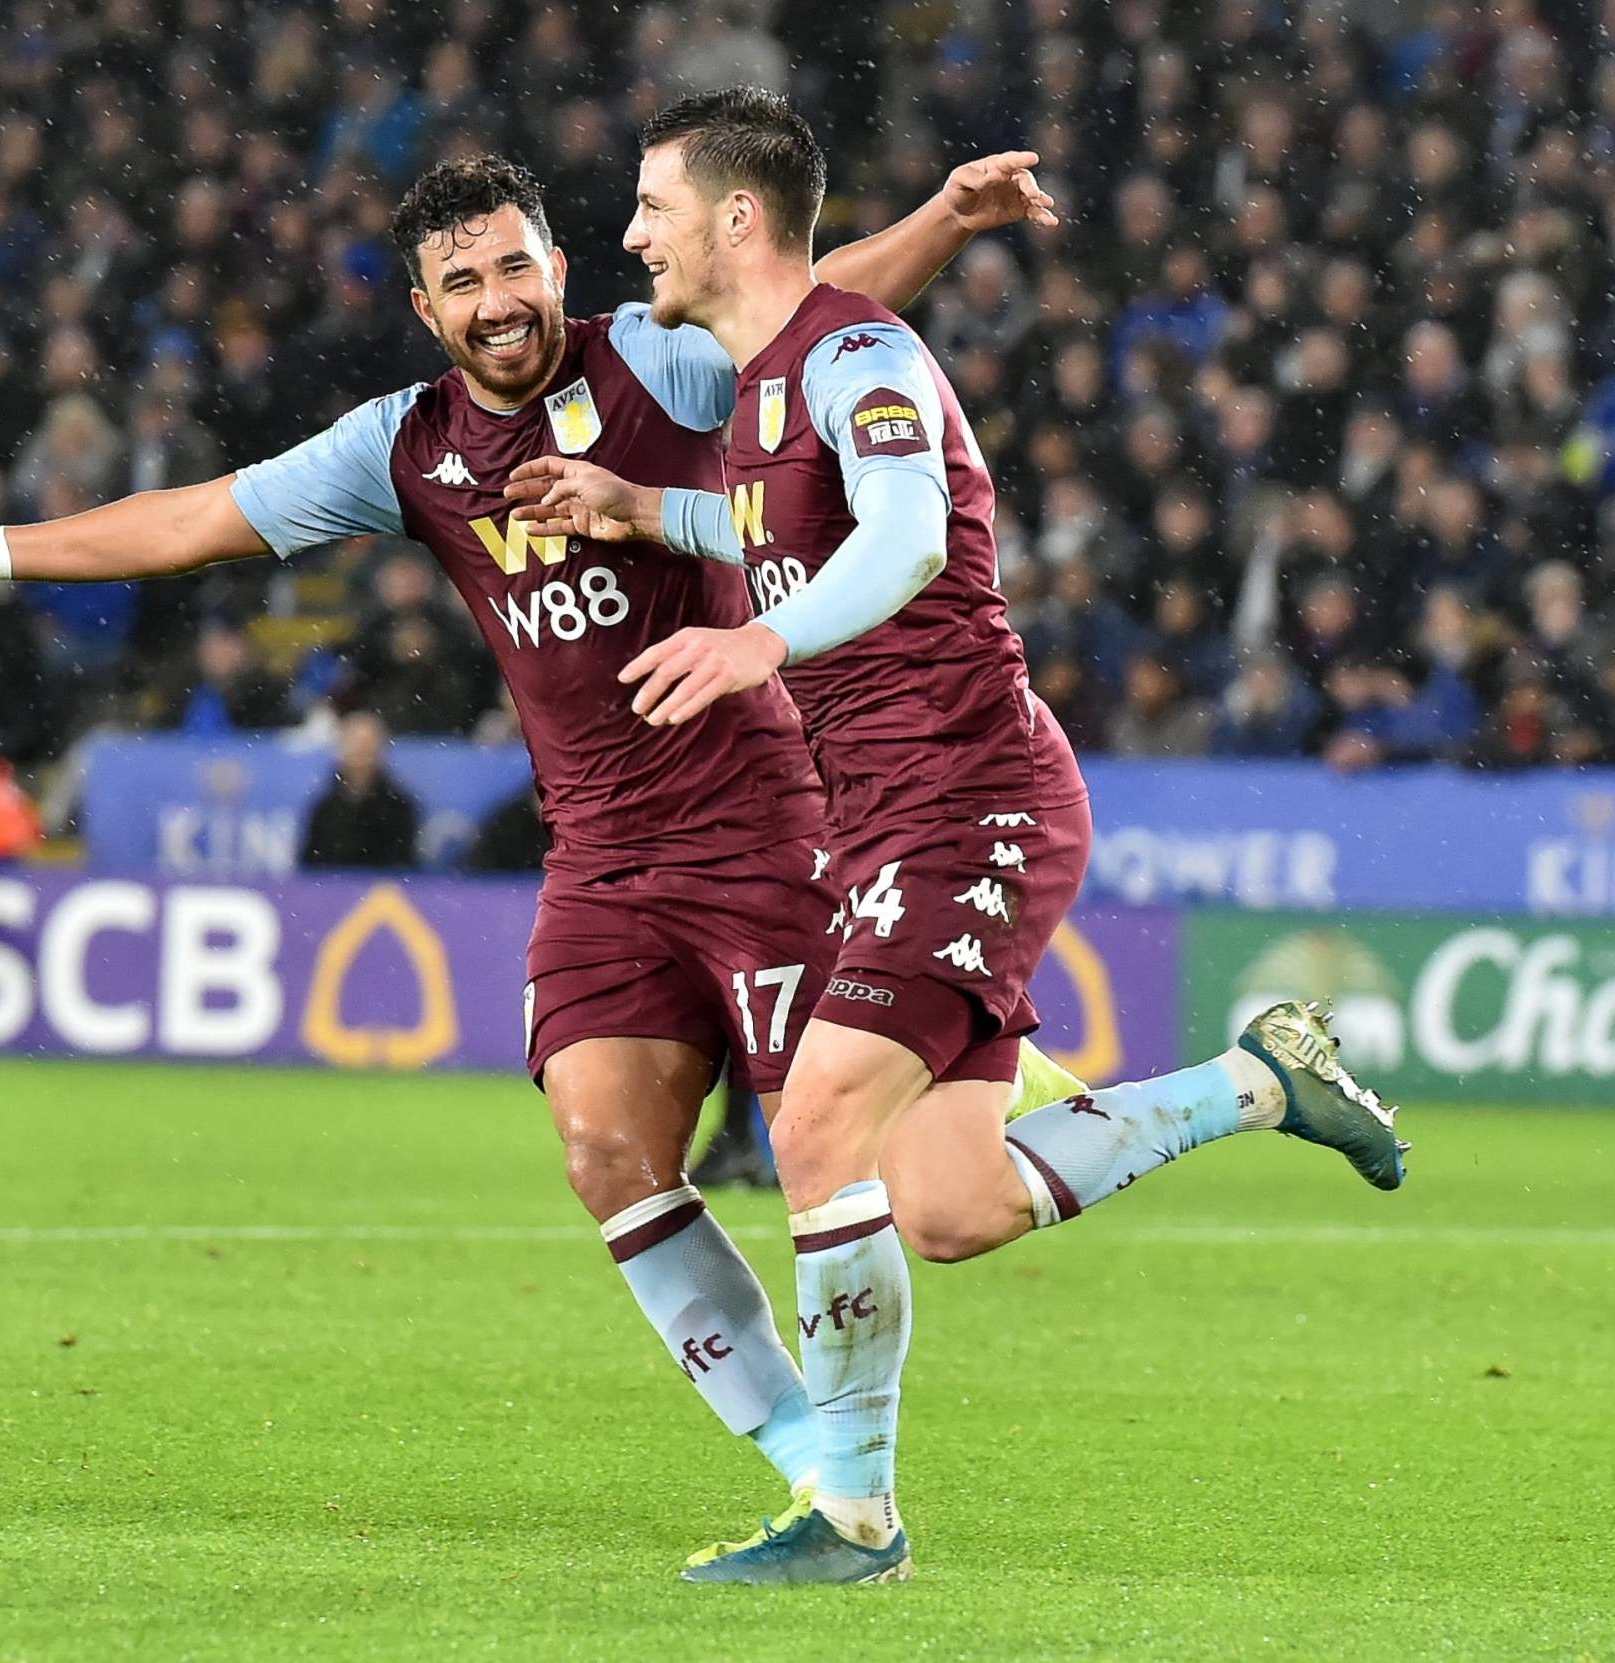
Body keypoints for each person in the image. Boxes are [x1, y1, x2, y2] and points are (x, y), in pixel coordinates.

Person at [0, 151, 1085, 1550]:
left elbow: (812, 303)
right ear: (424, 308)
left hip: (767, 823)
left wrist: (945, 223)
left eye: (516, 267)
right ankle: (814, 1465)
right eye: (463, 281)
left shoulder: (666, 359)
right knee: (605, 1149)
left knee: (844, 1155)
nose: (498, 302)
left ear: (557, 270)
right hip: (596, 853)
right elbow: (193, 521)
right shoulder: (403, 447)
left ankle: (999, 1084)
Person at [508, 88, 1410, 1583]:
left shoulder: (859, 349)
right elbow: (772, 529)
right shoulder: (750, 390)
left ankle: (852, 1514)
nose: (631, 231)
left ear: (738, 217)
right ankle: (1258, 1077)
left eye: (653, 202)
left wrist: (754, 649)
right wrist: (640, 507)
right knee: (946, 1203)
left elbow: (906, 534)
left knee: (809, 1127)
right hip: (882, 823)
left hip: (971, 793)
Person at [299, 711, 421, 869]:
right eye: (355, 743)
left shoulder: (399, 807)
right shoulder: (324, 807)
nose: (361, 751)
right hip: (331, 889)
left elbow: (402, 864)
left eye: (368, 744)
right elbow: (311, 864)